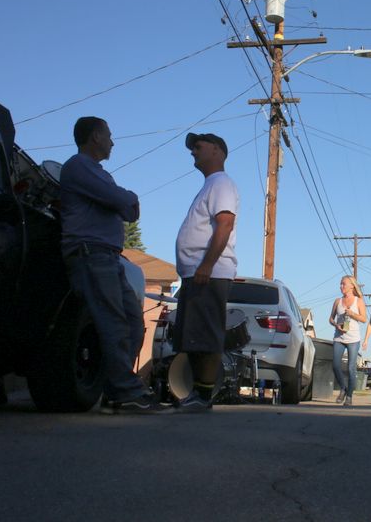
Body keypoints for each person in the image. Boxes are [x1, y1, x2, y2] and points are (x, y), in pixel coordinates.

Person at [60, 116, 165, 413]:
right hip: (91, 255)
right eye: (108, 135)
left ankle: (118, 387)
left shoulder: (97, 172)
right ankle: (124, 391)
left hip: (109, 258)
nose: (112, 142)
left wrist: (125, 201)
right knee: (113, 321)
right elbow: (123, 201)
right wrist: (128, 197)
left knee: (132, 322)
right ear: (95, 137)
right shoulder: (78, 166)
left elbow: (128, 211)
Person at [172, 132, 239, 413]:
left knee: (206, 336)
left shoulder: (221, 183)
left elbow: (225, 224)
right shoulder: (210, 185)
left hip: (208, 274)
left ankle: (203, 396)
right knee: (192, 337)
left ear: (217, 150)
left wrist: (207, 265)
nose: (193, 152)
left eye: (198, 146)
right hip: (196, 273)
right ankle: (197, 394)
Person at [330, 275, 368, 406]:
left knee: (351, 368)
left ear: (352, 286)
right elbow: (331, 319)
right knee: (335, 365)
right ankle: (343, 388)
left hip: (353, 339)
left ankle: (349, 396)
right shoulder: (337, 301)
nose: (341, 286)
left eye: (344, 284)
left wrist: (352, 314)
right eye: (340, 284)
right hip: (339, 337)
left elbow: (364, 319)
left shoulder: (359, 301)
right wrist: (336, 325)